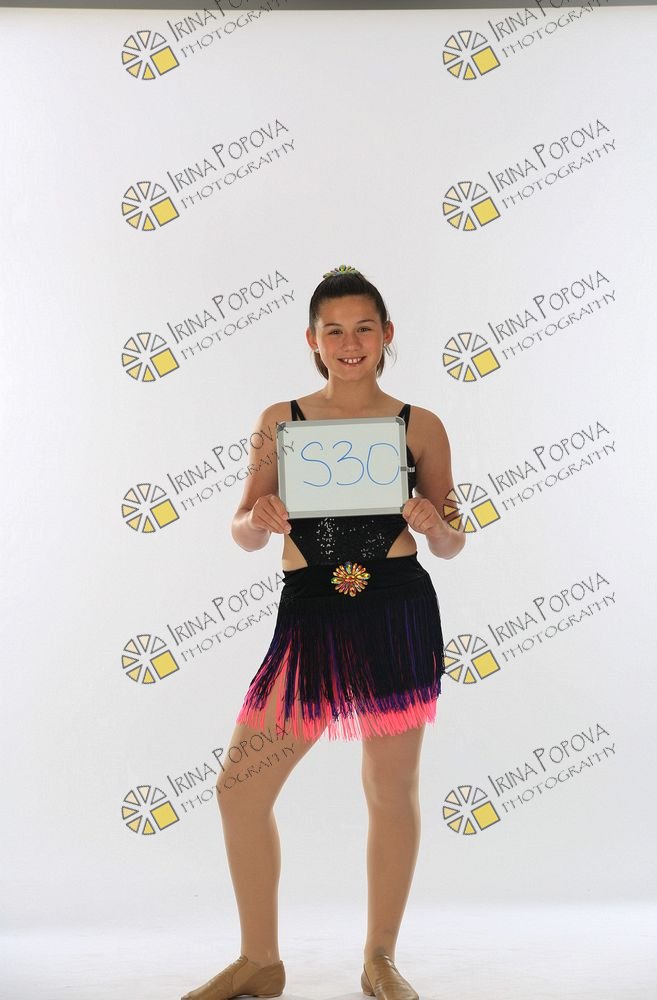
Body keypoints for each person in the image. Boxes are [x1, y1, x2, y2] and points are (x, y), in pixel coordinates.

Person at [182, 265, 466, 1000]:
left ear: (387, 335)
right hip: (309, 611)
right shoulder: (280, 421)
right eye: (333, 330)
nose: (349, 342)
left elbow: (453, 539)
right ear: (312, 340)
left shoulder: (420, 425)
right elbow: (242, 528)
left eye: (363, 327)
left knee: (389, 789)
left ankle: (380, 958)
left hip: (396, 609)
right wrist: (259, 519)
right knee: (240, 788)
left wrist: (434, 524)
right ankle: (260, 959)